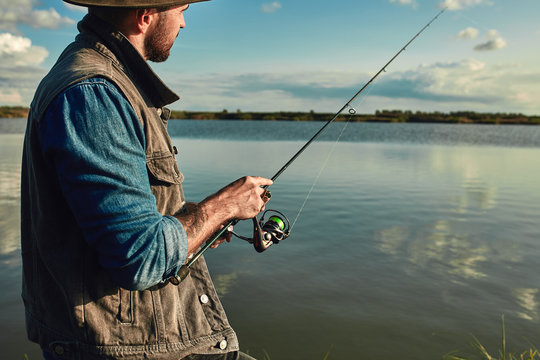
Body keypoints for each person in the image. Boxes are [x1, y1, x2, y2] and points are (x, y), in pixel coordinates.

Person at [20, 0, 272, 359]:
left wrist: (199, 223)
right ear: (145, 16)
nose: (184, 24)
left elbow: (116, 222)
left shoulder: (106, 81)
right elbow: (139, 258)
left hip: (131, 340)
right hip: (124, 347)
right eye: (182, 10)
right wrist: (223, 207)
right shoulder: (95, 93)